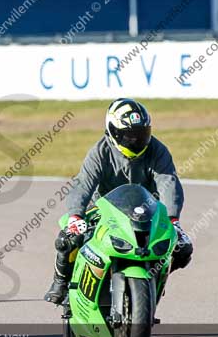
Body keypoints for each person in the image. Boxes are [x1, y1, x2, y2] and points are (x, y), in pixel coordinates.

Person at [44, 98, 193, 304]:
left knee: (182, 247)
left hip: (144, 210)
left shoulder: (158, 150)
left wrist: (172, 218)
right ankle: (60, 282)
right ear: (113, 132)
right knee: (68, 240)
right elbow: (83, 183)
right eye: (129, 136)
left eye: (141, 134)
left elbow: (169, 183)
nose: (136, 140)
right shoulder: (100, 151)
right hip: (102, 207)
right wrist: (76, 216)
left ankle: (156, 277)